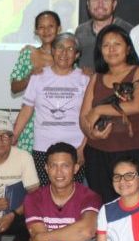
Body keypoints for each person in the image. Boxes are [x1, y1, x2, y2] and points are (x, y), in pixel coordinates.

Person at [79, 25, 139, 202]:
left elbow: (137, 106)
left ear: (127, 48)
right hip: (97, 153)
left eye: (116, 44)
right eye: (105, 45)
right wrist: (91, 132)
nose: (111, 49)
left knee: (131, 204)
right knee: (102, 206)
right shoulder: (96, 78)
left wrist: (99, 109)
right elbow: (83, 117)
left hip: (130, 152)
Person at [12, 32, 89, 185]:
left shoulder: (85, 79)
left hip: (75, 148)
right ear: (53, 51)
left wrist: (83, 148)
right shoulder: (38, 76)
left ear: (77, 54)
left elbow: (90, 117)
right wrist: (14, 136)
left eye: (70, 49)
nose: (64, 53)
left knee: (74, 196)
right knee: (44, 196)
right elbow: (27, 109)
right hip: (42, 147)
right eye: (59, 48)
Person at [9, 10, 61, 153]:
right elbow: (14, 87)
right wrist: (29, 77)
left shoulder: (67, 55)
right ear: (36, 31)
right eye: (41, 27)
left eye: (50, 26)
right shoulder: (28, 53)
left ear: (59, 28)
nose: (46, 31)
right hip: (31, 122)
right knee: (30, 170)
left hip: (59, 121)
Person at [73, 0, 133, 74]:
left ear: (114, 4)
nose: (100, 5)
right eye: (95, 0)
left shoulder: (128, 31)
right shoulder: (80, 31)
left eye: (105, 0)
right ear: (88, 4)